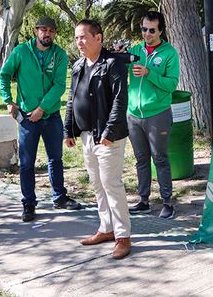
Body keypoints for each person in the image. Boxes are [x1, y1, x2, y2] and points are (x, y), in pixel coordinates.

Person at [0, 16, 82, 222]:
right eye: (43, 30)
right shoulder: (21, 52)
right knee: (27, 163)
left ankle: (59, 197)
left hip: (51, 116)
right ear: (36, 31)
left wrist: (42, 109)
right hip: (27, 118)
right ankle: (28, 203)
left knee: (56, 158)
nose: (47, 34)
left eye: (51, 30)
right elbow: (4, 75)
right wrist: (9, 101)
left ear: (54, 33)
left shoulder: (60, 55)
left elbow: (59, 86)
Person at [64, 19, 131, 259]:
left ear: (98, 38)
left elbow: (120, 101)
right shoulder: (78, 65)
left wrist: (109, 132)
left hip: (107, 138)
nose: (79, 42)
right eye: (76, 38)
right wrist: (68, 130)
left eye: (83, 37)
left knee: (111, 184)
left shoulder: (113, 64)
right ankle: (106, 228)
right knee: (97, 185)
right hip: (86, 136)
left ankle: (123, 236)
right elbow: (72, 98)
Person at [126, 11, 180, 219]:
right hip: (134, 115)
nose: (147, 34)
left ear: (161, 31)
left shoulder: (169, 53)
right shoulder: (135, 51)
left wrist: (150, 74)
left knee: (160, 158)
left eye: (151, 30)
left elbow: (172, 84)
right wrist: (120, 55)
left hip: (158, 113)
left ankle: (167, 202)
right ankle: (144, 201)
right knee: (141, 159)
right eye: (143, 29)